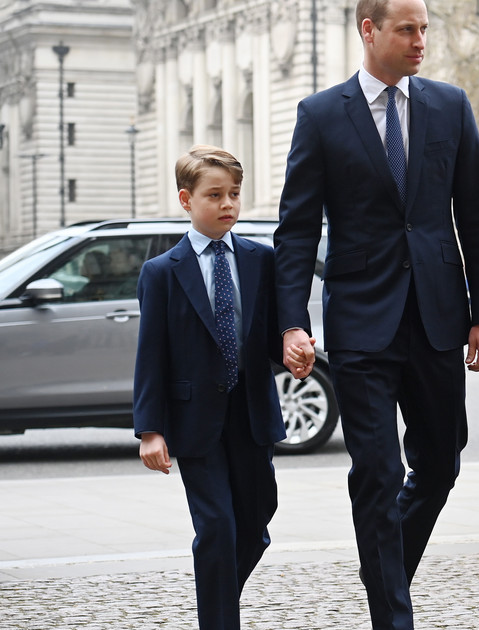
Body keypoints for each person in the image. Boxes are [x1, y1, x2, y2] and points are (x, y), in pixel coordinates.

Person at [272, 0, 479, 627]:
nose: (420, 40)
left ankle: (386, 573)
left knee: (441, 461)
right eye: (408, 29)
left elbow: (475, 215)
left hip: (436, 315)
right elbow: (295, 231)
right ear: (368, 31)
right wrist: (292, 320)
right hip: (359, 321)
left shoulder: (449, 105)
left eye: (425, 29)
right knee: (376, 470)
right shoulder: (321, 115)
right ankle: (392, 616)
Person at [133, 145, 314, 630]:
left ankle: (216, 602)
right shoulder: (162, 272)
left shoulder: (261, 260)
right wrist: (150, 429)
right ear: (186, 200)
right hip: (194, 421)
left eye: (234, 194)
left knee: (254, 527)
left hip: (252, 412)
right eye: (215, 195)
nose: (228, 204)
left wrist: (293, 349)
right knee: (216, 528)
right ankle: (218, 621)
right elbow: (150, 353)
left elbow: (276, 332)